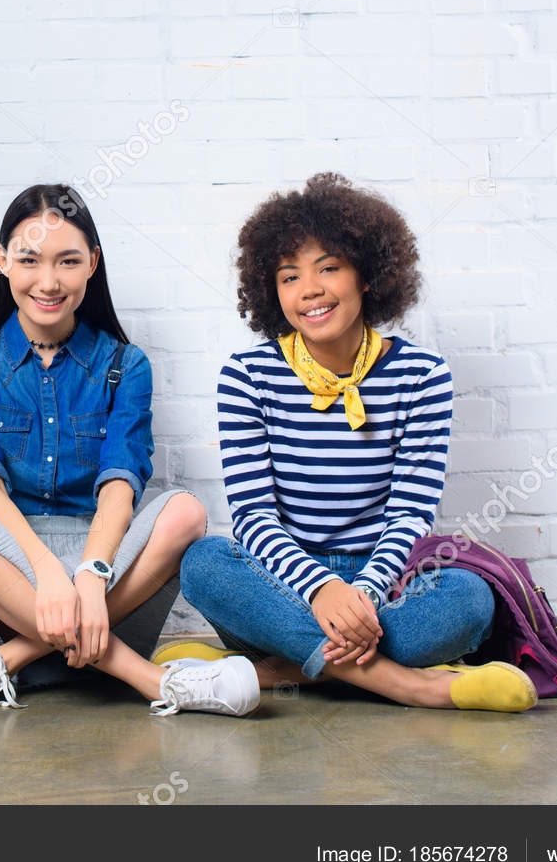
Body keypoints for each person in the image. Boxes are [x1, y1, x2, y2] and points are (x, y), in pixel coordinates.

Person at [171, 173, 536, 713]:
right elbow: (252, 516)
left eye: (329, 268)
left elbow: (412, 511)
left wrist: (360, 594)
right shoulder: (248, 376)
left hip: (385, 589)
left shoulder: (422, 374)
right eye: (290, 276)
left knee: (469, 601)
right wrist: (322, 591)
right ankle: (406, 684)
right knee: (202, 563)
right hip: (283, 584)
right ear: (271, 290)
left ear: (367, 275)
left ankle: (282, 669)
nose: (310, 290)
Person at [0, 184, 260, 718]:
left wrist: (88, 575)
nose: (48, 282)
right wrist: (49, 574)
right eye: (30, 260)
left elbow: (121, 485)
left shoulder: (127, 364)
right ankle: (152, 680)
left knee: (188, 511)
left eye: (68, 261)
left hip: (109, 585)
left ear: (92, 264)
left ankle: (6, 663)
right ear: (3, 261)